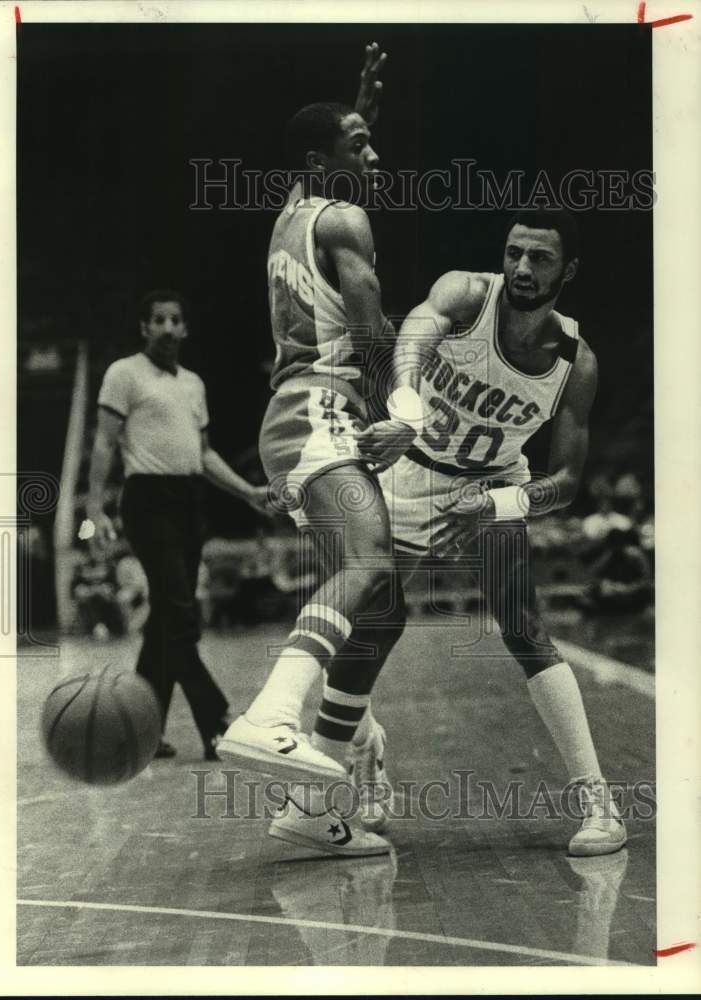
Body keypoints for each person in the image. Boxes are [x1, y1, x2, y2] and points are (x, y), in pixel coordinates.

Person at [358, 208, 627, 856]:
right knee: (364, 623)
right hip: (411, 469)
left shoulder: (575, 361)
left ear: (568, 270)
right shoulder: (465, 294)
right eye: (514, 253)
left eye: (540, 258)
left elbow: (566, 481)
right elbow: (412, 337)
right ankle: (364, 751)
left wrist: (500, 504)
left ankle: (598, 804)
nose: (522, 268)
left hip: (493, 483)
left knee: (524, 627)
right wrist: (406, 409)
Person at [218, 44, 402, 855]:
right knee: (369, 561)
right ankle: (269, 715)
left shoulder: (293, 211)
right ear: (320, 163)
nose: (374, 155)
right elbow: (372, 330)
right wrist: (405, 409)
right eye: (359, 145)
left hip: (295, 421)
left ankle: (310, 803)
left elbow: (318, 154)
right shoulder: (346, 221)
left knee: (382, 610)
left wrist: (356, 106)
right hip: (317, 409)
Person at [84, 289, 269, 760]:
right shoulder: (123, 374)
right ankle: (217, 721)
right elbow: (104, 444)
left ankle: (140, 732)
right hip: (148, 500)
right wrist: (94, 510)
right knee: (181, 618)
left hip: (189, 502)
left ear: (185, 328)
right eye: (159, 320)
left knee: (166, 621)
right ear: (144, 327)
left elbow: (203, 454)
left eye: (175, 320)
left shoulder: (193, 384)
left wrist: (248, 493)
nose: (168, 328)